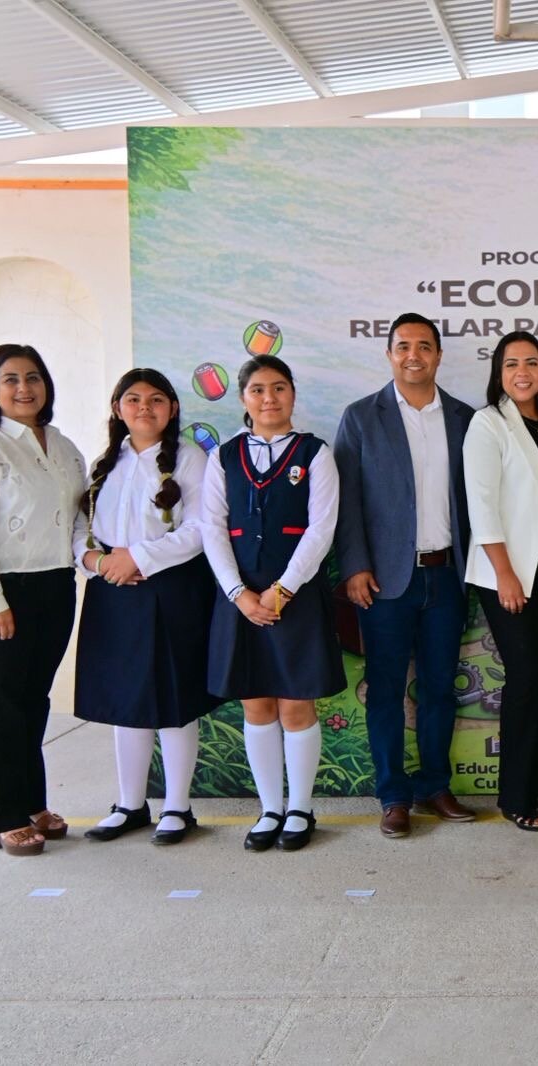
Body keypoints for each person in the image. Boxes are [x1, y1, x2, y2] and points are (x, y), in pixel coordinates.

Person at [0, 343, 88, 857]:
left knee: (33, 701)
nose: (24, 388)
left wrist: (90, 558)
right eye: (11, 379)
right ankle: (3, 815)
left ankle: (32, 803)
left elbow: (79, 517)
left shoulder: (65, 447)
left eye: (33, 377)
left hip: (53, 586)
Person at [335, 313, 475, 839]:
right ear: (389, 354)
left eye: (424, 346)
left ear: (439, 355)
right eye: (402, 346)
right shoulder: (360, 417)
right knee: (388, 690)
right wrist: (354, 566)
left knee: (440, 689)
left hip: (447, 578)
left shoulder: (464, 417)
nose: (413, 355)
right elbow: (346, 501)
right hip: (385, 582)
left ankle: (434, 785)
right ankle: (393, 794)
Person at [203, 355, 344, 853]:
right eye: (259, 389)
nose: (270, 397)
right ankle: (269, 808)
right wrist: (239, 595)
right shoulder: (223, 456)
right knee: (257, 704)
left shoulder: (315, 453)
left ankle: (300, 809)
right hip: (240, 599)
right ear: (244, 398)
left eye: (279, 388)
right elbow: (212, 530)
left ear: (292, 395)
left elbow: (320, 529)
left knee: (296, 705)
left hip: (295, 597)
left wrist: (282, 589)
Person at [73, 369, 216, 846]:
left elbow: (199, 531)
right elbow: (79, 529)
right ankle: (130, 804)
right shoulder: (103, 465)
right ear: (118, 408)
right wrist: (95, 560)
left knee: (174, 700)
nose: (144, 408)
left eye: (156, 400)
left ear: (172, 409)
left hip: (171, 589)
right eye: (132, 400)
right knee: (125, 701)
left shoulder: (192, 460)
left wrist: (139, 558)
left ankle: (178, 807)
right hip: (112, 588)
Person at [463, 331, 538, 831]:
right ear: (499, 374)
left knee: (536, 681)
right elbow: (481, 505)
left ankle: (537, 787)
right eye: (511, 364)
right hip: (509, 575)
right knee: (524, 681)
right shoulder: (489, 424)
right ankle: (516, 798)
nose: (522, 371)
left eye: (531, 362)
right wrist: (505, 573)